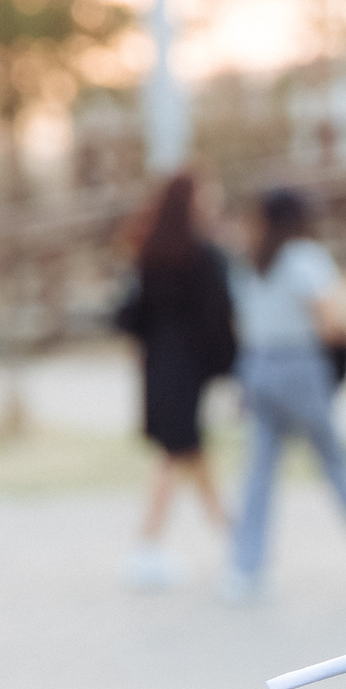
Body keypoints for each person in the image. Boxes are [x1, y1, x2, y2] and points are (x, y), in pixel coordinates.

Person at [220, 186, 346, 603]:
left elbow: (241, 323)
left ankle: (244, 567)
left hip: (257, 366)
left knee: (258, 473)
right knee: (335, 463)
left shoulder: (251, 263)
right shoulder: (305, 258)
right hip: (300, 368)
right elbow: (333, 324)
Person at [114, 172, 237, 590]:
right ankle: (147, 547)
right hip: (186, 368)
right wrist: (230, 365)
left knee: (192, 453)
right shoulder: (203, 255)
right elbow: (220, 317)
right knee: (176, 453)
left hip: (159, 364)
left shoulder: (149, 249)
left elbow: (132, 315)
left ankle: (235, 539)